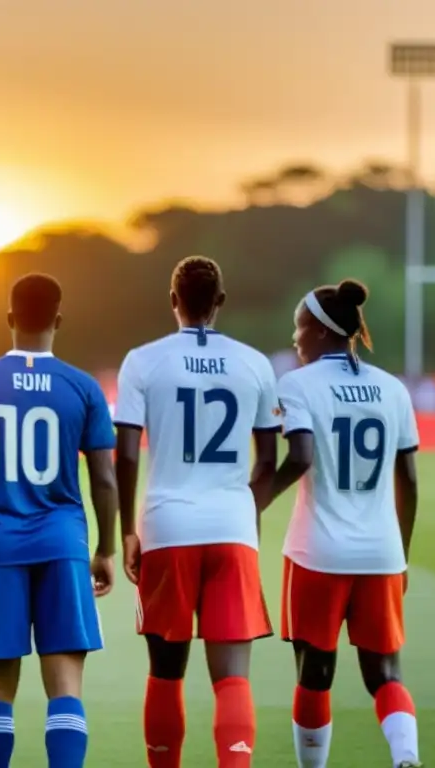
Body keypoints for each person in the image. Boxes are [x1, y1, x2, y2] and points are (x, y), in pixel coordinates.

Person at [0, 272, 118, 768]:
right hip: (63, 544)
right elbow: (104, 478)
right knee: (65, 687)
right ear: (58, 320)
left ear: (10, 319)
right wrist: (105, 548)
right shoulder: (82, 386)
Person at [113, 256, 280, 768]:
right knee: (232, 676)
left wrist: (128, 532)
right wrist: (246, 508)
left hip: (167, 526)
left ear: (173, 300)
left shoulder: (143, 361)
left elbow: (127, 453)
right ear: (220, 303)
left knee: (166, 672)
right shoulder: (255, 362)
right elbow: (269, 460)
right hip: (231, 527)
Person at [259, 280, 422, 768]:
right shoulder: (392, 388)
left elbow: (300, 456)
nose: (294, 339)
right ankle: (406, 756)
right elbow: (409, 481)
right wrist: (402, 555)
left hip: (317, 552)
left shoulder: (297, 384)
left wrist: (252, 502)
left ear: (320, 332)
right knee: (386, 674)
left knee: (314, 673)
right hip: (382, 554)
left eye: (298, 328)